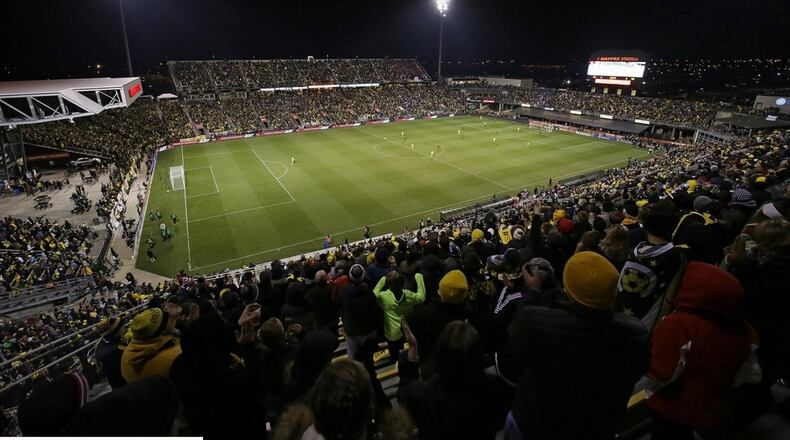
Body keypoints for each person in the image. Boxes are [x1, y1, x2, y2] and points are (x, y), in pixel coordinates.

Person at [499, 251, 650, 439]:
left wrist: (533, 292)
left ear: (568, 289)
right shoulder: (637, 336)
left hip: (536, 423)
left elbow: (513, 360)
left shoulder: (532, 321)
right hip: (597, 427)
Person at [646, 262, 761, 440]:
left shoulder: (678, 325)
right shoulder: (747, 332)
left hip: (672, 410)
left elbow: (660, 373)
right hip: (716, 410)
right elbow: (751, 375)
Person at [398, 321, 509, 440]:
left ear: (439, 356)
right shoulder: (496, 391)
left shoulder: (423, 397)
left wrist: (412, 357)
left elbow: (404, 395)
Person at [373, 269, 426, 361]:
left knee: (394, 355)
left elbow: (374, 294)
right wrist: (419, 278)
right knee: (410, 348)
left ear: (387, 283)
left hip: (393, 333)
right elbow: (421, 297)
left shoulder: (384, 297)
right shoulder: (408, 295)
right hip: (408, 330)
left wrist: (382, 279)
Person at [120, 308, 182, 383]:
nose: (170, 319)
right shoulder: (175, 354)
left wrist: (173, 318)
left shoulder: (126, 354)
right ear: (163, 331)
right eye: (168, 319)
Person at [94, 317, 127, 389]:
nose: (124, 327)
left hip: (113, 383)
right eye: (121, 326)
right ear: (115, 331)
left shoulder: (100, 343)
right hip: (124, 384)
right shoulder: (118, 350)